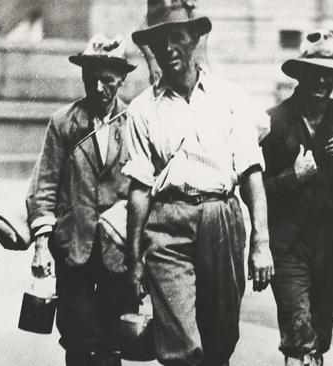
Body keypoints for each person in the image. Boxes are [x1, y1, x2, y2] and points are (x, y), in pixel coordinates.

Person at [124, 1, 274, 365]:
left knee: (220, 340)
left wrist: (261, 241)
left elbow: (251, 171)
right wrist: (134, 260)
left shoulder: (229, 97)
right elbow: (140, 189)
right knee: (180, 345)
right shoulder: (142, 110)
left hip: (222, 219)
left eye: (177, 37)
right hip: (167, 225)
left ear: (194, 39)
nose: (169, 49)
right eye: (160, 42)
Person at [28, 34, 137, 366]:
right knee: (77, 337)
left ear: (121, 79)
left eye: (107, 81)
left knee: (112, 338)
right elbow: (44, 184)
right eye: (91, 79)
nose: (99, 88)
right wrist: (41, 244)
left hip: (118, 247)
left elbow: (147, 186)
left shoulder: (136, 122)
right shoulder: (64, 122)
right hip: (74, 245)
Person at [261, 29, 333, 366]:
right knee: (298, 334)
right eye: (314, 72)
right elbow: (256, 190)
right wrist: (294, 177)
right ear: (300, 74)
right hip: (289, 243)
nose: (321, 80)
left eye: (329, 74)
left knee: (318, 337)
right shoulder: (275, 123)